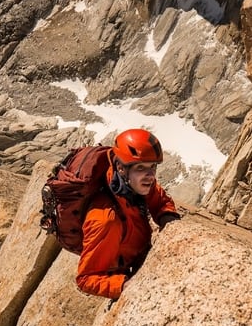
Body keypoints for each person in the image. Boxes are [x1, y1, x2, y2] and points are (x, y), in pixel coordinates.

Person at [76, 128, 180, 299]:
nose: (150, 175)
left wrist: (167, 218)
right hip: (128, 272)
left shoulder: (136, 183)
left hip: (142, 256)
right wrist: (123, 285)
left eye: (153, 167)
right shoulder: (105, 220)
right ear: (121, 168)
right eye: (140, 168)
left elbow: (161, 201)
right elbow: (85, 279)